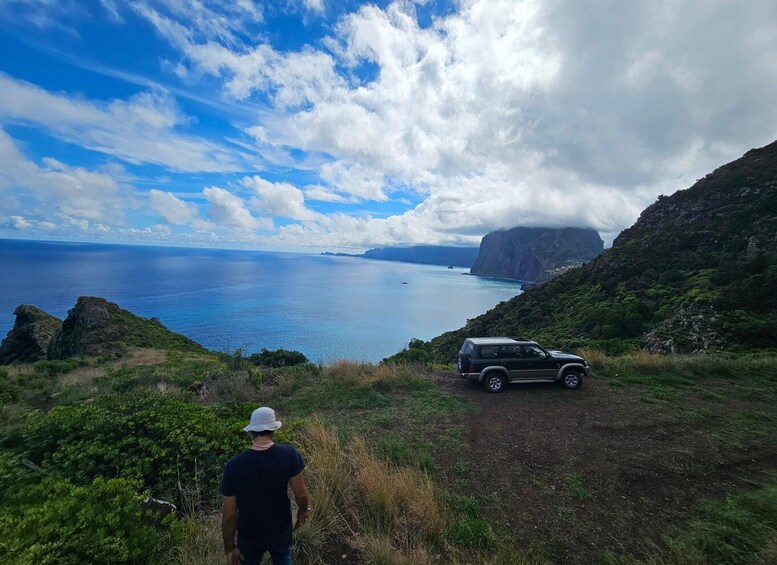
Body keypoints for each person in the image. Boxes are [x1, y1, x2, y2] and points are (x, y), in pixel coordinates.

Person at [220, 407, 311, 565]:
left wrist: (229, 548)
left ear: (252, 432)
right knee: (283, 558)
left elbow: (229, 516)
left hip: (249, 535)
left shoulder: (233, 466)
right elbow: (301, 494)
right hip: (280, 530)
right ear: (273, 430)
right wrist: (303, 511)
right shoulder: (289, 454)